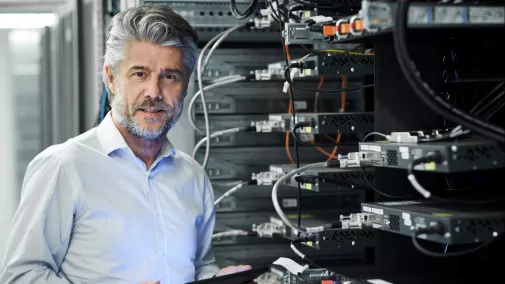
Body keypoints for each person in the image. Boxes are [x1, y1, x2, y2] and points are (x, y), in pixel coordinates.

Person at [0, 4, 251, 284]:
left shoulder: (192, 176)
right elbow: (21, 276)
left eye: (169, 76)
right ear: (110, 79)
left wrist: (216, 278)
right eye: (139, 74)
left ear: (186, 84)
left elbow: (199, 265)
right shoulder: (65, 167)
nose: (154, 92)